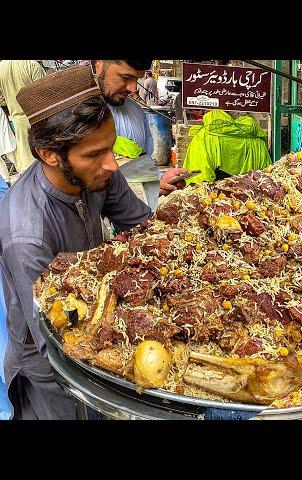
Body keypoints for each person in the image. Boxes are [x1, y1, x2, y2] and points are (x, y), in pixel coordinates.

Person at [0, 66, 153, 419]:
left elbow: (142, 225)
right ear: (49, 154)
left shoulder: (96, 173)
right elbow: (51, 343)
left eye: (110, 148)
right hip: (48, 366)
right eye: (94, 154)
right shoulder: (28, 235)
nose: (112, 164)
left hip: (93, 319)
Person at [93, 60, 185, 196]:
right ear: (99, 64)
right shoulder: (73, 115)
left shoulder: (136, 111)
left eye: (137, 79)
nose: (133, 88)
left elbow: (141, 167)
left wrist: (158, 179)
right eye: (125, 77)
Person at [0, 60, 46, 173]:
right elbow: (45, 94)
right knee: (44, 161)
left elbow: (1, 98)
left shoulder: (1, 67)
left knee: (27, 164)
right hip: (38, 120)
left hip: (18, 121)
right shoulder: (32, 65)